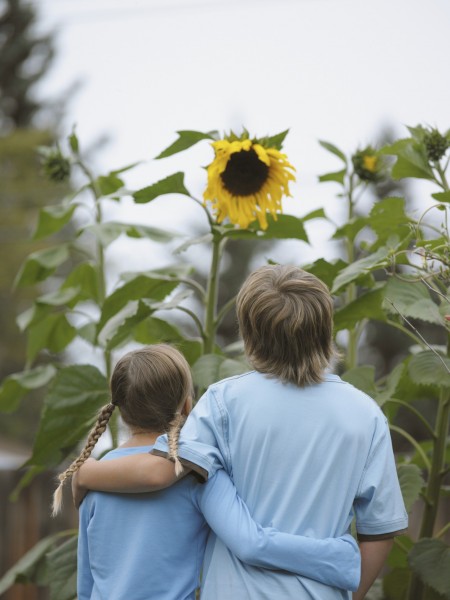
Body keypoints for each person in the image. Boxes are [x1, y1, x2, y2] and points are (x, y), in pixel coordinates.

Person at [74, 266, 408, 600]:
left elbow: (159, 471)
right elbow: (378, 533)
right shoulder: (366, 415)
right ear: (325, 330)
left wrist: (86, 473)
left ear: (249, 336)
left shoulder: (223, 403)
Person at [60, 344, 361, 600]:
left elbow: (86, 582)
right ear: (187, 405)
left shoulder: (96, 476)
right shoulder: (195, 474)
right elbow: (251, 542)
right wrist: (338, 559)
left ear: (120, 410)